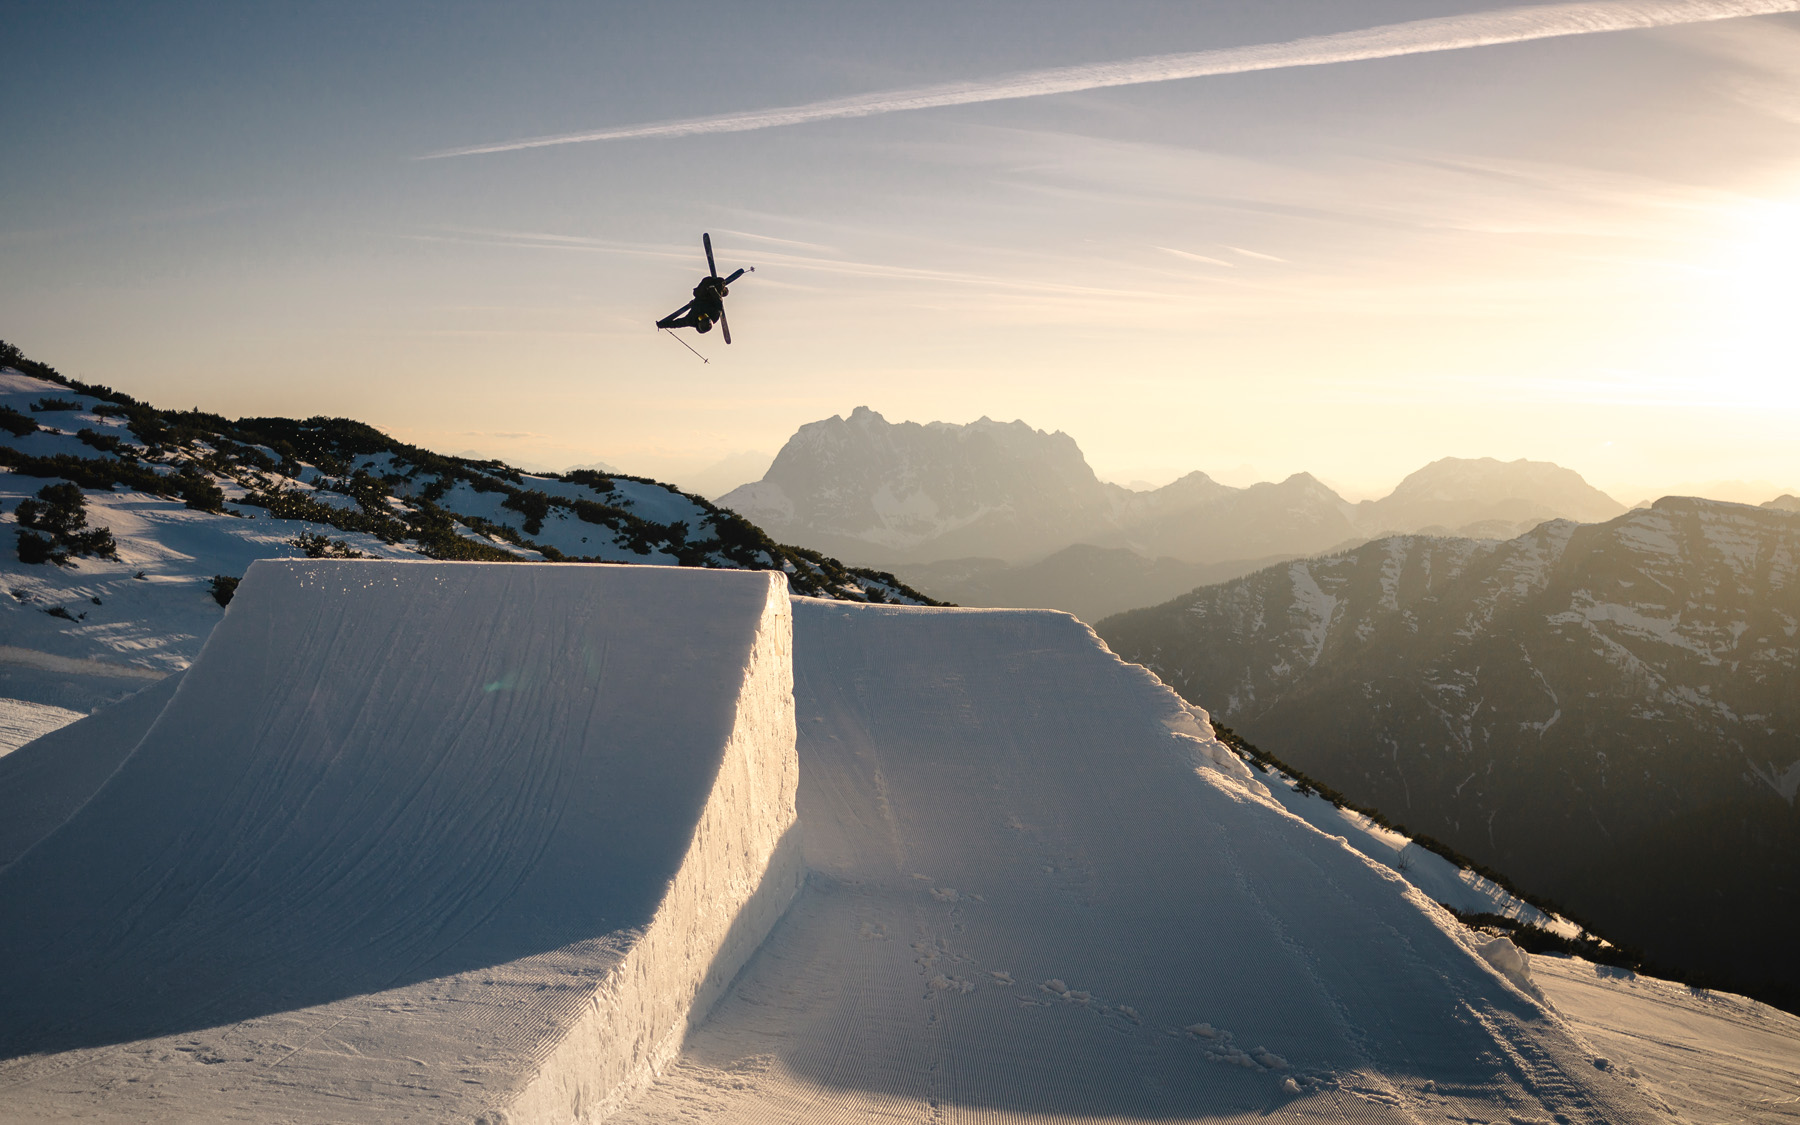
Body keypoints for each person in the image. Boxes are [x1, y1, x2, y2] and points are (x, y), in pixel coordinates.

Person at [658, 276, 728, 333]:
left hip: (701, 296)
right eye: (705, 316)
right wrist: (713, 290)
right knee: (720, 281)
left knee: (707, 280)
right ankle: (724, 290)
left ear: (698, 321)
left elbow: (676, 324)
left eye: (701, 317)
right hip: (712, 297)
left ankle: (721, 289)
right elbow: (718, 301)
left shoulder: (691, 320)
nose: (703, 315)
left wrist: (662, 325)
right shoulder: (715, 316)